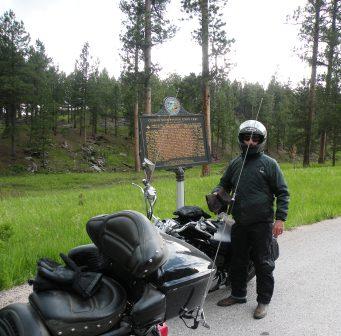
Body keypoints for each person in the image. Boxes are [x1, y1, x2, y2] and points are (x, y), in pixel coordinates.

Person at [212, 120, 289, 319]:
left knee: (264, 263)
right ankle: (238, 294)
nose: (250, 142)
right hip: (240, 222)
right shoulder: (235, 163)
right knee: (238, 261)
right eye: (247, 138)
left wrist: (280, 218)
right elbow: (224, 184)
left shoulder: (270, 164)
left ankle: (263, 301)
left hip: (262, 223)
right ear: (241, 139)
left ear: (261, 140)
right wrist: (217, 194)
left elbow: (282, 192)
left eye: (255, 138)